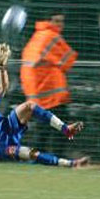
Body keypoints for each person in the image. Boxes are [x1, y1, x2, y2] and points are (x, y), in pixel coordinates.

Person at [20, 12, 78, 156]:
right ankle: (56, 159)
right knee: (61, 128)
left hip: (36, 93)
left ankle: (38, 158)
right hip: (51, 93)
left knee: (44, 130)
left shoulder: (36, 36)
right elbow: (68, 61)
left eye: (62, 21)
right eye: (57, 21)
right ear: (49, 21)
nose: (60, 25)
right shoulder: (52, 37)